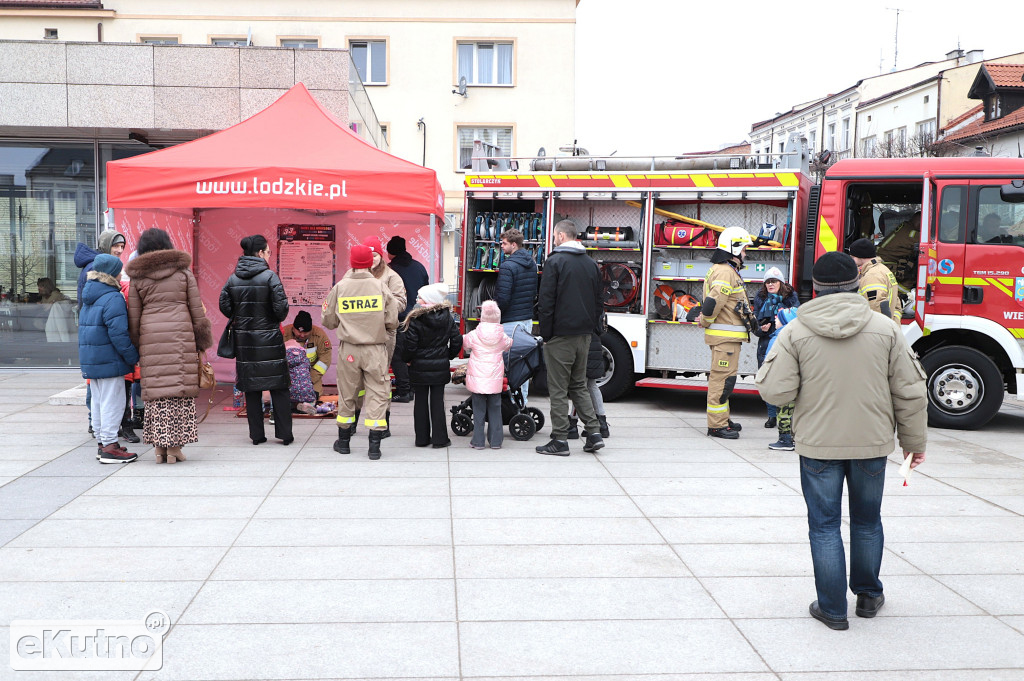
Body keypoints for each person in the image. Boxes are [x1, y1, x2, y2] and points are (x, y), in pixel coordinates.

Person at [755, 251, 927, 631]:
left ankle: (832, 609)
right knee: (867, 522)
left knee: (824, 526)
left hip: (818, 445)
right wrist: (914, 444)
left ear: (814, 288)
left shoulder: (795, 331)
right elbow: (911, 392)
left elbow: (775, 392)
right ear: (856, 283)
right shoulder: (886, 330)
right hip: (871, 444)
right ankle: (868, 596)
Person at [126, 228, 214, 464]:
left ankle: (159, 449)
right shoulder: (183, 273)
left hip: (151, 339)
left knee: (157, 394)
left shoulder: (137, 278)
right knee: (178, 390)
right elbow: (197, 311)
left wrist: (137, 343)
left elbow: (133, 318)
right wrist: (201, 340)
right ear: (167, 245)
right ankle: (175, 448)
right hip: (180, 336)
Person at [534, 219, 605, 456]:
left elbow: (546, 302)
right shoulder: (591, 264)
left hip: (560, 336)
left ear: (562, 236)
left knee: (558, 388)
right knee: (579, 385)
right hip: (584, 336)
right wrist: (592, 329)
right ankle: (594, 433)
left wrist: (546, 334)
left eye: (555, 235)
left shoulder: (554, 262)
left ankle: (560, 440)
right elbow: (598, 303)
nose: (554, 239)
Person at [322, 244, 399, 459]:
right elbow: (393, 319)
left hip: (349, 350)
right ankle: (374, 447)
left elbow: (328, 320)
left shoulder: (340, 287)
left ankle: (344, 442)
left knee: (347, 394)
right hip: (375, 350)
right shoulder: (380, 286)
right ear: (368, 263)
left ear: (352, 263)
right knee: (377, 394)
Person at [219, 234, 293, 446]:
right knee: (279, 387)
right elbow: (281, 311)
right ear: (260, 253)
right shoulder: (270, 277)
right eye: (268, 251)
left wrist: (241, 318)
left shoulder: (233, 278)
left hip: (245, 341)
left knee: (252, 389)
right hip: (270, 339)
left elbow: (225, 306)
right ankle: (284, 435)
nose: (269, 255)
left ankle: (257, 436)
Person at [686, 226, 754, 439]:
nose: (745, 254)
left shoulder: (725, 269)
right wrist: (705, 321)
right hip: (725, 339)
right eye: (743, 249)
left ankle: (723, 419)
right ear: (734, 248)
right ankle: (716, 425)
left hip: (727, 339)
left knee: (726, 380)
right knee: (722, 381)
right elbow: (714, 302)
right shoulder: (725, 271)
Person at [78, 254, 139, 464]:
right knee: (113, 403)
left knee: (97, 401)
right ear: (112, 273)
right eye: (119, 269)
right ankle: (111, 447)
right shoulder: (113, 296)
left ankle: (103, 444)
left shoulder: (90, 294)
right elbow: (119, 334)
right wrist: (133, 357)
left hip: (92, 359)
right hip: (110, 359)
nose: (121, 273)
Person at [74, 228, 126, 435]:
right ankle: (106, 438)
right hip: (100, 337)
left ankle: (99, 432)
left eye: (122, 246)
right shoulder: (96, 269)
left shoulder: (98, 269)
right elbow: (115, 329)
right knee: (105, 395)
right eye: (116, 245)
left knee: (97, 389)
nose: (119, 250)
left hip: (93, 336)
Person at [354, 236, 407, 436]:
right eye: (369, 255)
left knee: (380, 379)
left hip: (384, 335)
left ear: (380, 255)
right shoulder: (354, 275)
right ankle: (352, 421)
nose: (373, 259)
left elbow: (401, 304)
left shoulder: (392, 277)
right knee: (356, 381)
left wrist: (380, 301)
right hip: (358, 334)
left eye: (375, 255)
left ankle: (383, 423)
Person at [401, 282, 463, 448]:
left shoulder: (415, 318)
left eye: (420, 297)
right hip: (440, 366)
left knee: (420, 402)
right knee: (437, 402)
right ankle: (440, 439)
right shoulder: (447, 317)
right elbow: (457, 340)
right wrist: (447, 355)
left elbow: (410, 344)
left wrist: (407, 359)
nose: (417, 299)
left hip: (419, 367)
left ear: (428, 299)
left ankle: (421, 439)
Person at [751, 266, 799, 428]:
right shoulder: (760, 299)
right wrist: (761, 329)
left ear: (781, 283)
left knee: (785, 379)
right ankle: (771, 415)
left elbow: (797, 321)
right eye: (768, 282)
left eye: (774, 281)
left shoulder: (791, 298)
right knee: (767, 378)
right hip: (765, 343)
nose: (770, 284)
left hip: (785, 342)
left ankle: (784, 416)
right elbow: (755, 325)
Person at [493, 227, 539, 397]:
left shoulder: (508, 266)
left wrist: (493, 312)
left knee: (508, 365)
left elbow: (503, 299)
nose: (502, 246)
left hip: (510, 322)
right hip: (526, 319)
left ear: (514, 245)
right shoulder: (532, 264)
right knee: (523, 364)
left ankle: (509, 406)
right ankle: (522, 403)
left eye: (504, 244)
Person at [461, 300, 513, 449]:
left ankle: (478, 441)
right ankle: (496, 441)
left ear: (482, 316)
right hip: (495, 379)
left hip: (478, 380)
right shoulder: (501, 336)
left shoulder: (475, 334)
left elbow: (465, 343)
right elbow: (509, 344)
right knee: (495, 410)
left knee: (478, 411)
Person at [386, 235, 429, 402]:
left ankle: (404, 391)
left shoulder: (390, 271)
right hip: (418, 317)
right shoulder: (419, 267)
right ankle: (412, 387)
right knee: (414, 354)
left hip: (400, 318)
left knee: (398, 356)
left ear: (391, 252)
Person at [762, 307, 798, 451]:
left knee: (783, 410)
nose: (775, 319)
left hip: (783, 381)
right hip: (793, 381)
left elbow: (770, 360)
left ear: (786, 323)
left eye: (779, 318)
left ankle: (785, 440)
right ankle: (794, 437)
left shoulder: (779, 338)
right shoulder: (795, 338)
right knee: (794, 412)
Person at [567, 324, 611, 440]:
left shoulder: (584, 306)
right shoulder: (596, 308)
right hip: (594, 343)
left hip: (585, 343)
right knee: (591, 385)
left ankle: (572, 424)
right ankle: (602, 423)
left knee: (579, 386)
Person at [850, 238, 901, 324]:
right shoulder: (882, 269)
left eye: (852, 257)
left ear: (860, 256)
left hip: (879, 327)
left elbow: (876, 306)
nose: (851, 259)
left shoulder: (872, 276)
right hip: (890, 325)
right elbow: (896, 303)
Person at [282, 310, 331, 398]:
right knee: (285, 399)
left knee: (313, 398)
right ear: (293, 328)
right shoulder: (283, 334)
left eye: (305, 332)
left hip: (311, 378)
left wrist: (308, 379)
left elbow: (325, 360)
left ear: (311, 330)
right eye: (299, 332)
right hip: (287, 377)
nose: (302, 335)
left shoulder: (319, 336)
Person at [876, 211, 920, 291]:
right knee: (909, 278)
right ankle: (905, 296)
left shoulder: (905, 227)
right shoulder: (912, 234)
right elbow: (928, 241)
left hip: (884, 260)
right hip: (887, 264)